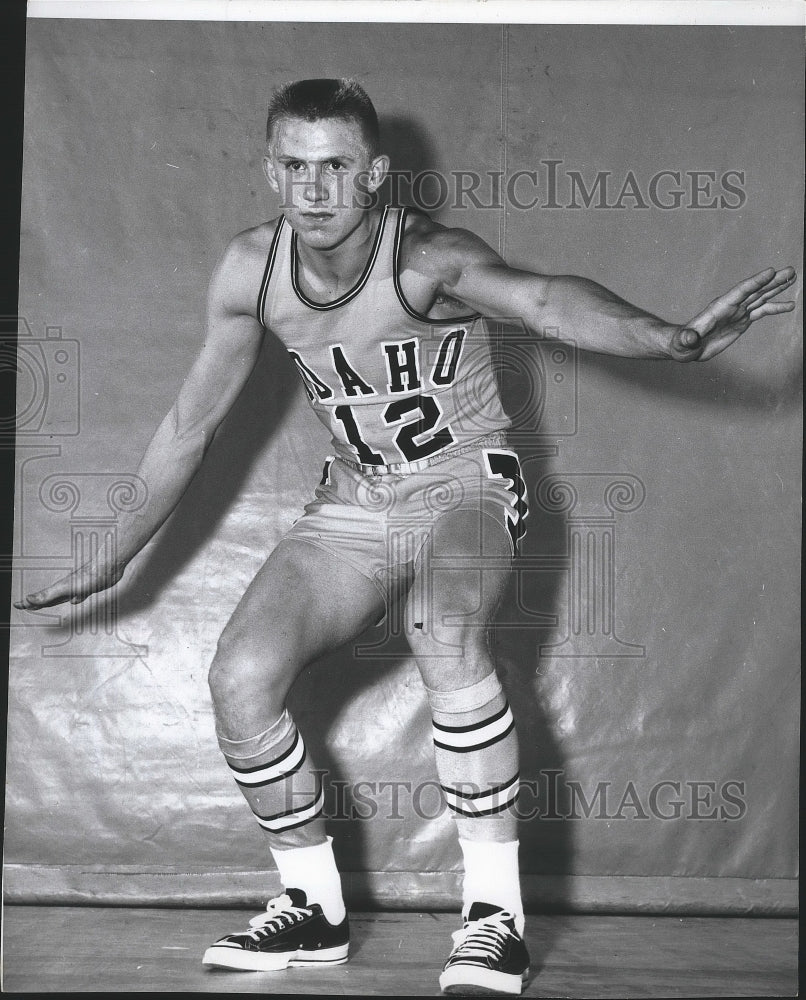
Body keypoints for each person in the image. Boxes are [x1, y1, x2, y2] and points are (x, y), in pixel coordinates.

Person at [15, 78, 796, 996]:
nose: (314, 191)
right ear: (271, 170)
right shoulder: (249, 272)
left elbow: (545, 301)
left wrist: (669, 338)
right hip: (357, 502)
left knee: (445, 625)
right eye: (295, 168)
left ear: (376, 174)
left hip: (466, 485)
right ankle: (312, 909)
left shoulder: (425, 257)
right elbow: (191, 426)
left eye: (336, 167)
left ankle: (494, 917)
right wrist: (116, 547)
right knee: (239, 676)